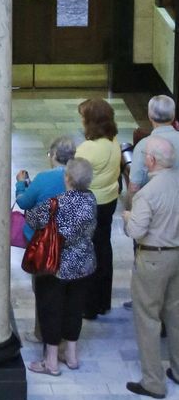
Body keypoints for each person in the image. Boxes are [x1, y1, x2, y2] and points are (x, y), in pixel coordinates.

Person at [25, 156, 97, 376]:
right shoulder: (91, 199)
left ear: (67, 178)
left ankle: (51, 362)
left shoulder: (56, 203)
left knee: (51, 310)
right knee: (74, 309)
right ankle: (72, 356)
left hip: (56, 265)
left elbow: (31, 219)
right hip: (83, 263)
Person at [123, 136, 179, 399]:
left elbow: (136, 231)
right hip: (177, 255)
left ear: (152, 160)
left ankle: (153, 382)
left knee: (147, 318)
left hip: (154, 258)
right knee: (175, 315)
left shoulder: (147, 193)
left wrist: (127, 218)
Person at [76, 96, 122, 319]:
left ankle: (88, 305)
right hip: (109, 200)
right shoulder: (113, 142)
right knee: (104, 248)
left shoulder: (89, 148)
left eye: (83, 118)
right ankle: (103, 301)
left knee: (87, 252)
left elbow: (74, 177)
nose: (81, 122)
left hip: (90, 203)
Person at [14, 136, 76, 241]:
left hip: (40, 238)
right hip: (67, 237)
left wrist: (20, 184)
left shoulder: (43, 177)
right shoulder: (78, 176)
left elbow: (23, 203)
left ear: (54, 155)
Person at [127, 95, 179, 196]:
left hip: (154, 203)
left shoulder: (144, 146)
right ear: (173, 116)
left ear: (150, 116)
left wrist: (131, 209)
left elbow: (134, 187)